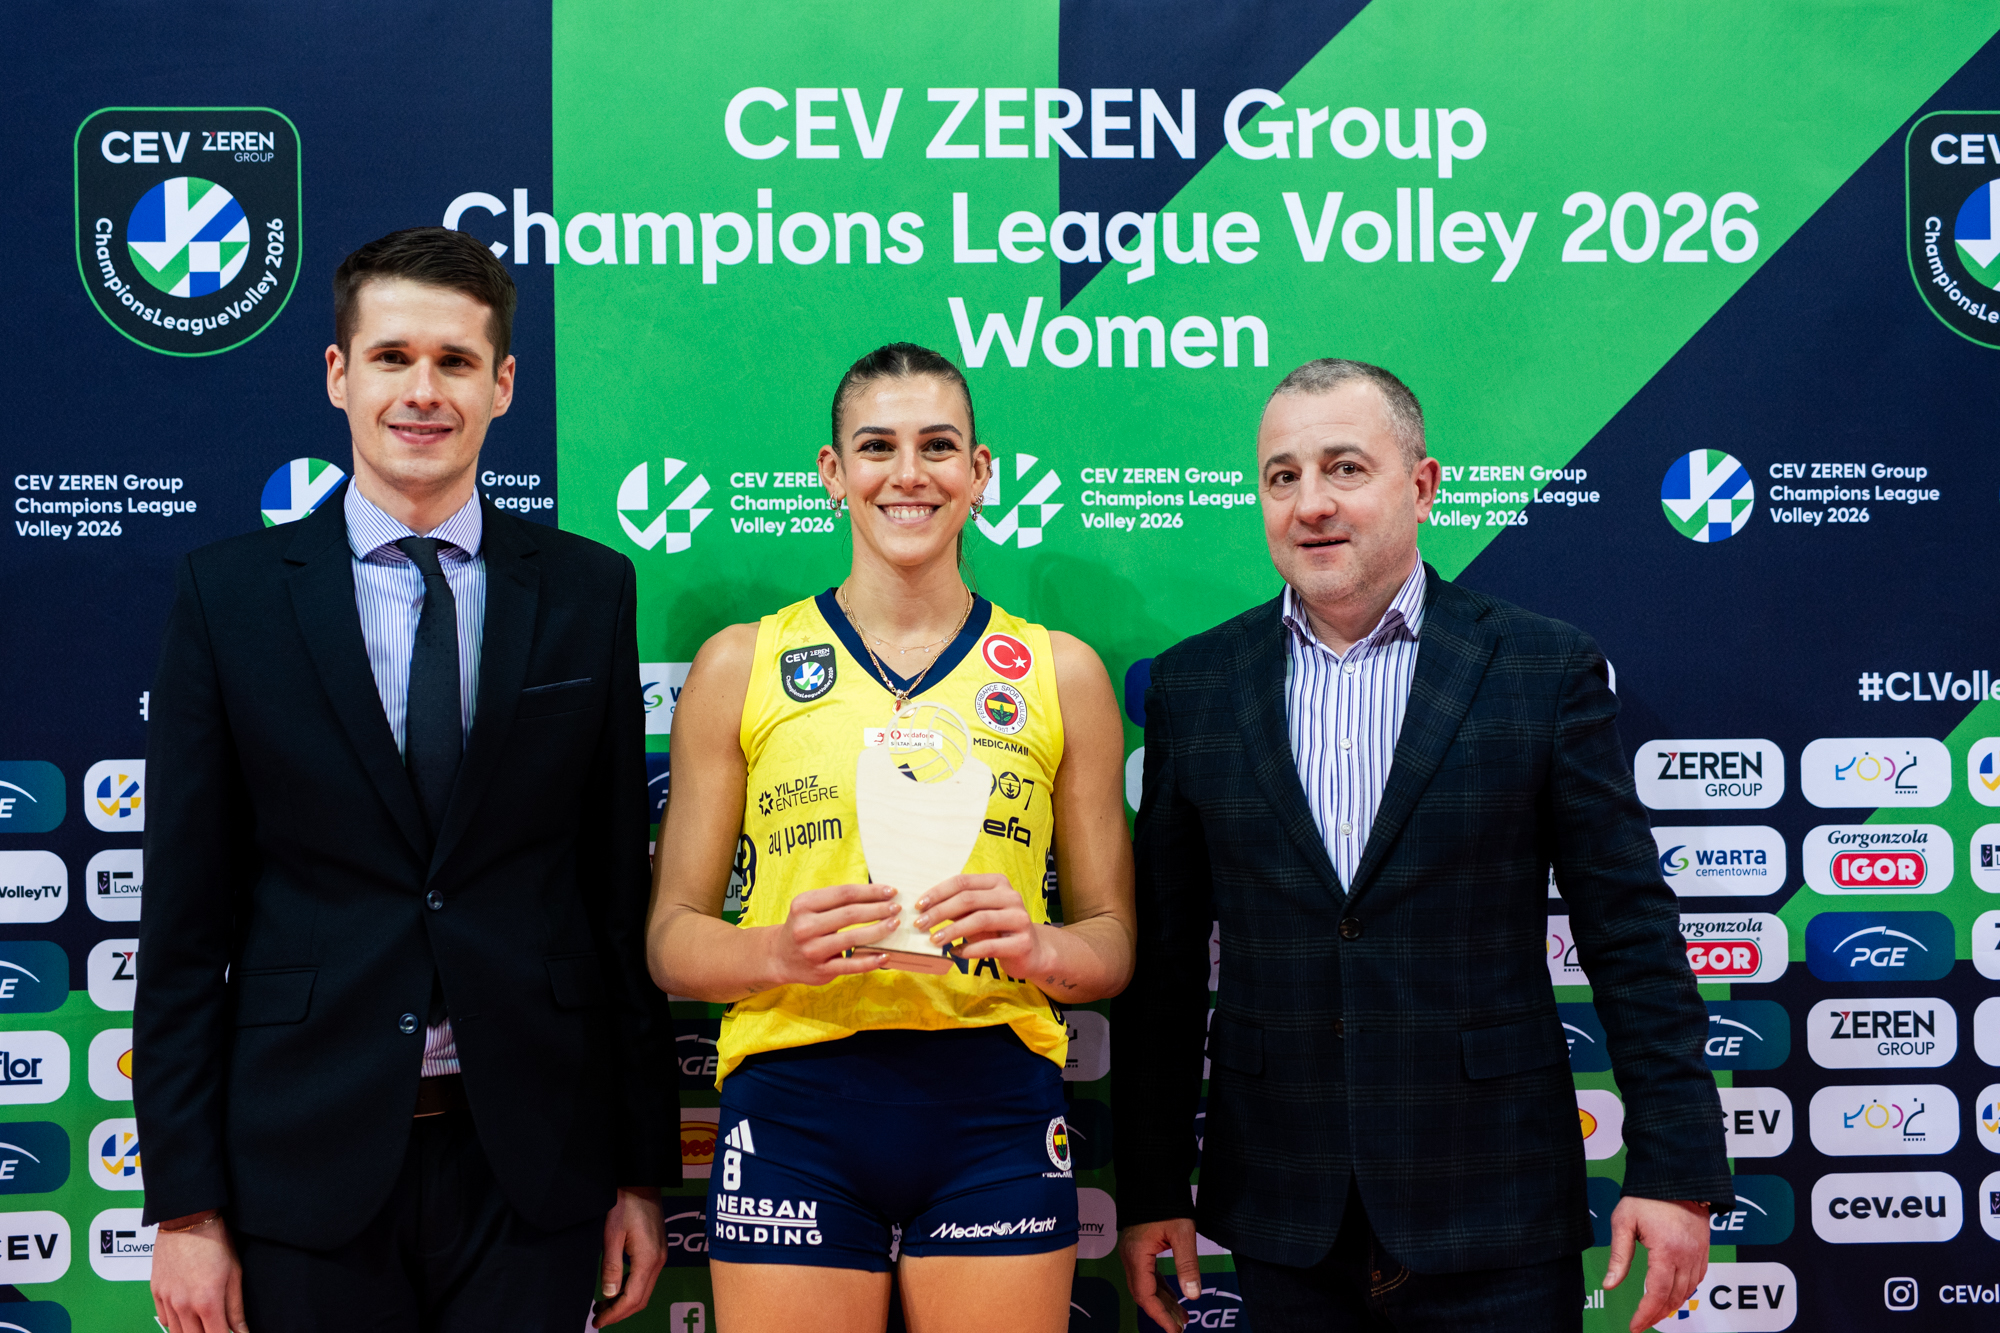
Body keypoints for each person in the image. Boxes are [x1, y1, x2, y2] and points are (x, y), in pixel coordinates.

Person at [1112, 359, 1730, 1333]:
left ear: (1422, 485)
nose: (1310, 503)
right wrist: (1152, 1181)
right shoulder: (1197, 686)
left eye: (1344, 467)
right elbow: (1166, 970)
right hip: (1283, 1208)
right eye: (1282, 476)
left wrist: (1675, 1166)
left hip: (1494, 1201)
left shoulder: (1540, 667)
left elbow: (1630, 933)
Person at [136, 227, 673, 1333]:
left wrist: (637, 1170)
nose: (422, 391)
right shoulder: (229, 597)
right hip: (302, 1159)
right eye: (392, 357)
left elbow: (614, 900)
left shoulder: (587, 591)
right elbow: (184, 924)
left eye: (454, 360)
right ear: (339, 374)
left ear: (501, 385)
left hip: (534, 1160)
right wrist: (185, 1206)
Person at [648, 343, 1135, 1333]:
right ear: (833, 473)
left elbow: (1111, 942)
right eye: (876, 447)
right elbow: (672, 938)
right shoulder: (741, 664)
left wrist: (1039, 946)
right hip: (794, 1102)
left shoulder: (1061, 672)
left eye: (937, 446)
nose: (907, 474)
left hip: (993, 1101)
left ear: (979, 472)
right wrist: (773, 951)